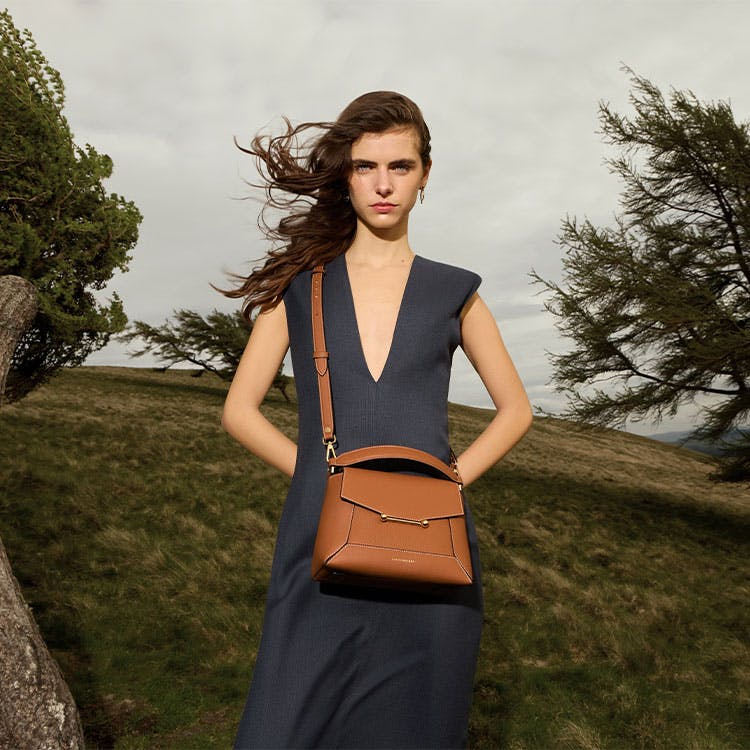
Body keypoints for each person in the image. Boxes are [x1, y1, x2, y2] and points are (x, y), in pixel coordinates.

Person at [220, 91, 533, 749]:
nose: (383, 184)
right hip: (319, 542)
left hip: (434, 552)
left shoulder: (457, 293)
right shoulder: (300, 286)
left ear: (424, 175)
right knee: (280, 731)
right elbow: (239, 411)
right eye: (366, 167)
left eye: (401, 166)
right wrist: (327, 482)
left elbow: (516, 411)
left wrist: (446, 486)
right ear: (346, 175)